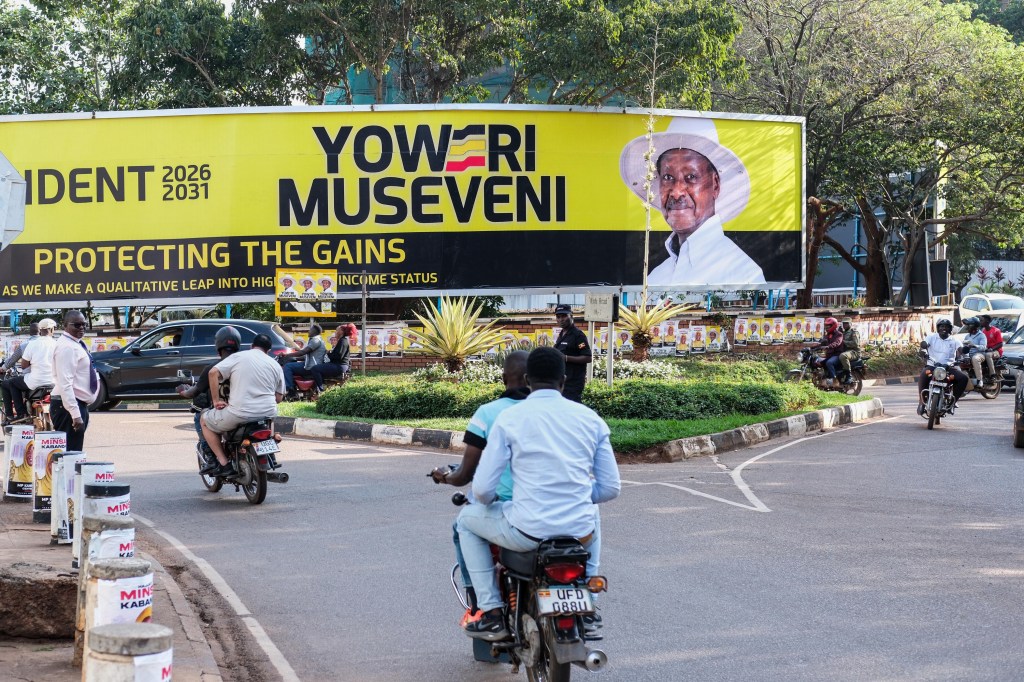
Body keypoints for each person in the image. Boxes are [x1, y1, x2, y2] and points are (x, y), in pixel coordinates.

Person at [456, 347, 620, 640]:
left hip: (526, 531)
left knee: (467, 521)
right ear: (564, 380)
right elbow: (609, 488)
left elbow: (481, 489)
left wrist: (487, 501)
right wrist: (574, 497)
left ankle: (491, 611)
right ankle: (589, 602)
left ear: (528, 379)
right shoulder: (591, 419)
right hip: (579, 533)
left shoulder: (510, 419)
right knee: (592, 511)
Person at [619, 117, 765, 286]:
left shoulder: (743, 275)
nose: (676, 192)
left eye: (691, 177)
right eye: (668, 177)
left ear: (715, 185)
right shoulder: (656, 278)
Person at [200, 330, 286, 478]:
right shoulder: (275, 365)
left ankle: (224, 463)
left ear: (252, 346)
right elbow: (278, 398)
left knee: (204, 420)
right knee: (269, 421)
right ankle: (270, 453)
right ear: (269, 350)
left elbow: (213, 373)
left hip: (240, 413)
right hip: (268, 414)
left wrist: (216, 401)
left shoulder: (239, 356)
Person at [176, 326, 241, 475]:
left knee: (202, 417)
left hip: (226, 412)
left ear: (218, 346)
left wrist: (182, 391)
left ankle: (214, 460)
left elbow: (195, 391)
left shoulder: (213, 368)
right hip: (250, 409)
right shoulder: (245, 364)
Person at [50, 310, 100, 452]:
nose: (82, 328)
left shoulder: (75, 343)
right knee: (71, 454)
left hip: (75, 404)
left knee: (73, 452)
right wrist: (76, 414)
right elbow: (65, 383)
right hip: (68, 407)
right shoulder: (67, 347)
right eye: (77, 325)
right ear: (65, 325)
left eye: (84, 324)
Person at [917, 318, 968, 415]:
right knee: (924, 375)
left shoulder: (954, 340)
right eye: (941, 326)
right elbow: (924, 347)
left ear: (950, 329)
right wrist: (923, 352)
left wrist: (965, 355)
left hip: (949, 368)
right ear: (938, 328)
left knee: (963, 378)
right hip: (932, 366)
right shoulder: (931, 337)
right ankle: (921, 402)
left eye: (946, 327)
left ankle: (953, 402)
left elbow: (961, 349)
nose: (943, 329)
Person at [553, 303, 591, 403]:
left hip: (573, 382)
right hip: (562, 381)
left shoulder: (578, 335)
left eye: (564, 316)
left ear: (571, 316)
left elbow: (587, 357)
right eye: (558, 316)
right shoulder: (562, 334)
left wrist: (565, 358)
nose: (561, 319)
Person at [1, 322, 39, 424]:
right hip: (51, 380)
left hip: (32, 379)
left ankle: (14, 415)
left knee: (9, 383)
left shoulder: (26, 345)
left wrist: (2, 368)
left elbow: (13, 361)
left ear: (29, 332)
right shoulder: (52, 343)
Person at [280, 324, 327, 398]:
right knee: (292, 363)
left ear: (314, 331)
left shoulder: (315, 340)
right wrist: (294, 358)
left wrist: (288, 355)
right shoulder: (317, 340)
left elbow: (303, 352)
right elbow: (306, 356)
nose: (309, 331)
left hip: (311, 367)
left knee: (288, 366)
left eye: (310, 330)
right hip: (311, 364)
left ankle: (290, 390)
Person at [310, 324, 356, 392]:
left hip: (339, 366)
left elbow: (338, 356)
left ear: (341, 332)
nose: (335, 332)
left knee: (315, 369)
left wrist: (329, 353)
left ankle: (321, 389)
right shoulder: (342, 341)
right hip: (339, 365)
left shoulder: (342, 341)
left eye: (337, 330)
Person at [809, 317, 844, 387]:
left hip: (837, 355)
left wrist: (828, 346)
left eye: (828, 326)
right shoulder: (828, 335)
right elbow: (821, 343)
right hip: (830, 355)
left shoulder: (839, 334)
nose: (827, 328)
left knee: (829, 362)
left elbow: (837, 343)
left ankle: (835, 380)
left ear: (833, 326)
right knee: (818, 363)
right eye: (826, 326)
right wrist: (812, 347)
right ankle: (823, 381)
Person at [961, 317, 988, 388]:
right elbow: (965, 348)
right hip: (969, 355)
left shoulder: (981, 335)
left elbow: (984, 347)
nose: (967, 327)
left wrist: (974, 346)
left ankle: (980, 380)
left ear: (974, 326)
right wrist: (965, 354)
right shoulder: (967, 336)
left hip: (980, 354)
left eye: (969, 325)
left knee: (975, 358)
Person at [979, 314, 1003, 382]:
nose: (980, 322)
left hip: (996, 351)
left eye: (981, 320)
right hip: (986, 350)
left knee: (988, 355)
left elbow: (1000, 344)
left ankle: (993, 375)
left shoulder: (996, 330)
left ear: (987, 321)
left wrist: (991, 349)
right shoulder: (983, 331)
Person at [838, 317, 862, 384]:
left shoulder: (854, 332)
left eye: (846, 323)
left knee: (843, 356)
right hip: (847, 351)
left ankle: (849, 376)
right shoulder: (843, 332)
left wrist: (843, 342)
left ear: (850, 324)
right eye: (843, 323)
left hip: (854, 352)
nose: (844, 325)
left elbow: (855, 343)